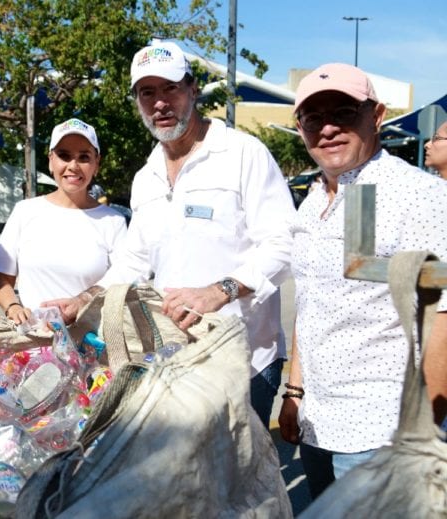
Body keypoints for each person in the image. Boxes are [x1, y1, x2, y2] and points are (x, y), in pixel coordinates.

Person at [44, 42, 296, 428]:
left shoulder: (243, 153)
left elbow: (284, 242)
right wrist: (82, 300)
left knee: (238, 483)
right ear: (137, 101)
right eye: (148, 92)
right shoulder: (147, 177)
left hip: (243, 360)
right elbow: (134, 261)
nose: (160, 103)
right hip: (175, 358)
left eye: (170, 88)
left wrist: (219, 290)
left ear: (193, 89)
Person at [278, 62, 447, 499]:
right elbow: (316, 303)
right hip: (319, 425)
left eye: (344, 112)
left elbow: (442, 316)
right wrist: (295, 391)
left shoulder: (417, 195)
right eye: (314, 118)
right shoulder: (316, 199)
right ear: (300, 129)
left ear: (377, 115)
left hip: (382, 433)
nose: (328, 128)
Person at [0, 119, 127, 323]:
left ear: (96, 163)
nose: (73, 166)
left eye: (84, 157)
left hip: (91, 344)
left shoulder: (113, 221)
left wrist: (83, 302)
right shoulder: (25, 212)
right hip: (34, 341)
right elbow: (3, 280)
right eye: (64, 156)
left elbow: (123, 283)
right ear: (50, 160)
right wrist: (14, 308)